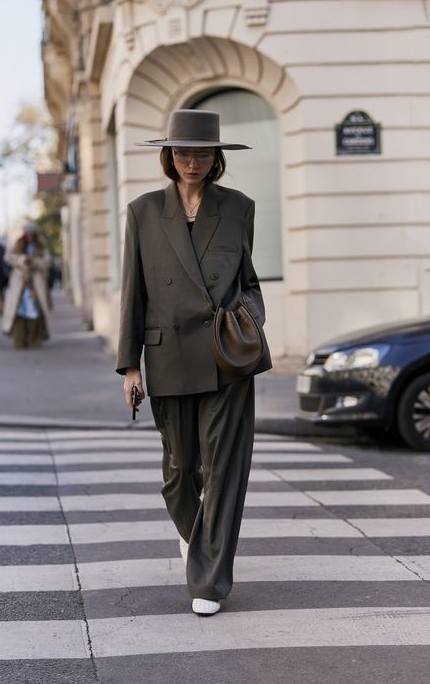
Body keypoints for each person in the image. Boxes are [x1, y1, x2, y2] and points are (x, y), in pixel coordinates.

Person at [117, 109, 272, 616]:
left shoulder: (238, 208)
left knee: (224, 468)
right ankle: (195, 535)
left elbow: (248, 279)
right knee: (181, 469)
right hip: (166, 356)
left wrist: (249, 316)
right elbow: (132, 294)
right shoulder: (142, 211)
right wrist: (130, 365)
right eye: (183, 152)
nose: (192, 162)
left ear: (216, 158)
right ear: (168, 156)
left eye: (202, 153)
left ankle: (208, 582)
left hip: (226, 356)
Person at [2, 221, 51, 349]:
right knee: (19, 311)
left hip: (36, 283)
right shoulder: (17, 245)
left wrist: (33, 262)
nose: (29, 237)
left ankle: (34, 339)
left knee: (35, 310)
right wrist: (21, 260)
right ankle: (20, 339)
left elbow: (47, 261)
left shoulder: (41, 246)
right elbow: (8, 257)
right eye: (27, 234)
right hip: (20, 283)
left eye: (31, 234)